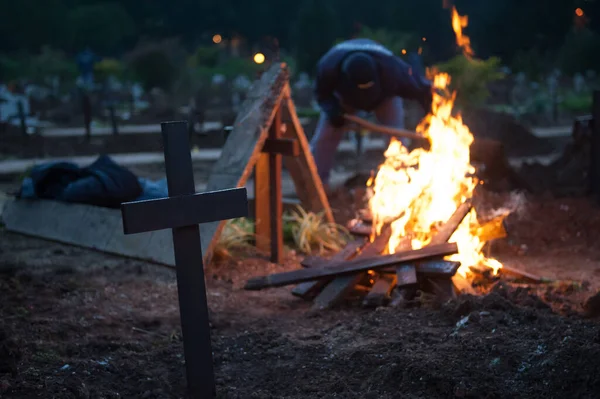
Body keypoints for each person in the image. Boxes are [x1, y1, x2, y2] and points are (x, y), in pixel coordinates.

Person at [310, 39, 433, 187]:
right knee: (324, 139)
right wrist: (332, 110)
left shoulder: (393, 71)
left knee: (397, 140)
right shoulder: (328, 68)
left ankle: (400, 183)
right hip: (343, 101)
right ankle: (316, 186)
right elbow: (321, 94)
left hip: (384, 99)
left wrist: (432, 119)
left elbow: (423, 91)